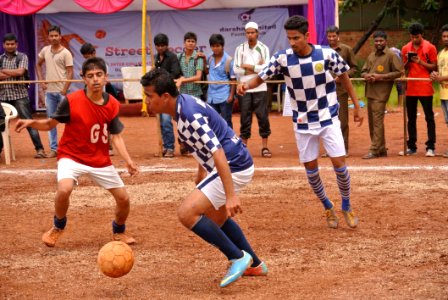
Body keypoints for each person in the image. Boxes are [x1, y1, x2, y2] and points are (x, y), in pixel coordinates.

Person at [141, 68, 267, 287]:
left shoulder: (189, 115)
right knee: (215, 218)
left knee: (186, 213)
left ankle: (237, 257)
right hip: (234, 162)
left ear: (165, 97)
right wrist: (201, 172)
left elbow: (217, 152)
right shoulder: (181, 106)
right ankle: (255, 264)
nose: (147, 101)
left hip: (232, 165)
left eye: (149, 96)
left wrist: (230, 196)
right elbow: (202, 145)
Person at [238, 15, 364, 229]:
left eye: (296, 38)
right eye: (289, 38)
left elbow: (344, 76)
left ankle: (346, 205)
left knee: (339, 165)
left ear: (307, 35)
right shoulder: (282, 58)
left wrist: (357, 106)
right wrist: (246, 86)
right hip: (303, 122)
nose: (293, 42)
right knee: (311, 170)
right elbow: (262, 77)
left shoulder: (327, 54)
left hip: (328, 117)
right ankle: (327, 205)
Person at [15, 57, 138, 247]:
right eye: (90, 76)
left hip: (100, 160)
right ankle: (58, 226)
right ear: (83, 79)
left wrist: (128, 161)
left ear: (106, 77)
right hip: (71, 156)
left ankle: (119, 230)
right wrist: (31, 122)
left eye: (99, 75)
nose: (95, 79)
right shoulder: (71, 101)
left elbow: (116, 136)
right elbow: (50, 124)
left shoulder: (112, 103)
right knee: (64, 189)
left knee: (124, 199)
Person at [0, 33, 47, 158]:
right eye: (7, 44)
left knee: (29, 122)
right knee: (0, 124)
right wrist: (13, 73)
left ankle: (40, 149)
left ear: (16, 44)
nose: (10, 46)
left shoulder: (22, 56)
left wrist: (4, 71)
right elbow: (13, 73)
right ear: (3, 45)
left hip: (20, 95)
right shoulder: (0, 58)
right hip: (3, 96)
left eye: (12, 44)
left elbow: (20, 71)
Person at [361, 31, 403, 159]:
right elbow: (363, 71)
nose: (378, 43)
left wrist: (380, 77)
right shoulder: (371, 55)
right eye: (376, 41)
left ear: (386, 41)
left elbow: (398, 72)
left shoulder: (391, 55)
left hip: (381, 93)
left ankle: (374, 150)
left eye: (381, 41)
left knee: (377, 122)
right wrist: (366, 75)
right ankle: (381, 149)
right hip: (370, 92)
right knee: (372, 123)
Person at [233, 21, 272, 158]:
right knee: (245, 117)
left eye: (252, 32)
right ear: (245, 34)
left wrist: (249, 66)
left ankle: (265, 147)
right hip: (244, 87)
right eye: (248, 32)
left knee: (263, 117)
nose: (250, 35)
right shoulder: (240, 48)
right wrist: (257, 68)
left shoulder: (264, 48)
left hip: (260, 86)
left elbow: (267, 69)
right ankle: (243, 148)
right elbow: (236, 69)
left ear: (257, 33)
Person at [400, 22, 437, 157]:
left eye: (417, 37)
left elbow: (434, 67)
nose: (414, 39)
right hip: (411, 87)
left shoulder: (430, 47)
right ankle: (412, 146)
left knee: (429, 117)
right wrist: (408, 62)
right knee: (411, 118)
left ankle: (431, 146)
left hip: (425, 86)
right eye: (412, 37)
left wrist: (420, 62)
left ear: (422, 35)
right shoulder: (405, 48)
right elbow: (402, 68)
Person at [36, 25, 74, 158]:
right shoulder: (45, 50)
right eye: (51, 36)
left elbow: (70, 72)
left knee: (69, 121)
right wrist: (41, 80)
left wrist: (65, 89)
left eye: (56, 35)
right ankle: (54, 149)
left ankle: (69, 148)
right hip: (50, 93)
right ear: (48, 37)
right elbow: (38, 64)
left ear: (60, 36)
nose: (53, 38)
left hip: (62, 92)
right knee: (51, 121)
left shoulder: (66, 53)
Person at [325, 26, 358, 156]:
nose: (331, 39)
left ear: (338, 36)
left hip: (341, 91)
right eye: (329, 36)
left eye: (334, 36)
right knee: (327, 121)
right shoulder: (323, 51)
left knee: (342, 120)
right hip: (326, 91)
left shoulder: (346, 50)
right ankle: (330, 149)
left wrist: (343, 75)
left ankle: (343, 149)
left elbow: (355, 68)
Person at [79, 42, 115, 156]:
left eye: (88, 56)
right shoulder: (85, 65)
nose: (87, 59)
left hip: (101, 96)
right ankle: (91, 145)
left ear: (94, 53)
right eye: (85, 57)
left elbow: (105, 80)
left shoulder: (102, 64)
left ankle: (108, 145)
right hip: (89, 97)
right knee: (89, 121)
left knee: (105, 121)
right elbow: (84, 78)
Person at [153, 33, 182, 157]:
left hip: (169, 94)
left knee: (166, 120)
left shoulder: (172, 57)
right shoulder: (156, 58)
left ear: (167, 45)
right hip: (158, 93)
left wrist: (161, 77)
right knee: (160, 121)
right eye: (158, 45)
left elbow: (175, 73)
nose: (160, 48)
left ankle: (170, 147)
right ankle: (165, 146)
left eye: (162, 45)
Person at [177, 32, 205, 155]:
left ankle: (195, 146)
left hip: (195, 94)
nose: (190, 43)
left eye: (193, 41)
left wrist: (183, 80)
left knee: (195, 121)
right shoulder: (178, 57)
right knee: (181, 120)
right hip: (182, 94)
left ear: (195, 44)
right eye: (188, 41)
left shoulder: (198, 58)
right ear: (184, 43)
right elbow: (175, 73)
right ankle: (183, 143)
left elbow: (198, 76)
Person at [205, 33, 235, 128]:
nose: (215, 48)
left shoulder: (229, 60)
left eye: (217, 46)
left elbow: (233, 80)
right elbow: (206, 71)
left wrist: (231, 96)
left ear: (222, 46)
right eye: (213, 46)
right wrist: (203, 59)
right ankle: (216, 142)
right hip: (211, 97)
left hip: (224, 96)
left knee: (226, 121)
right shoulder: (209, 57)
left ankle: (230, 141)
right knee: (212, 121)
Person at [430, 24, 448, 158]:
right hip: (444, 93)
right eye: (444, 36)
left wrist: (440, 77)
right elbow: (439, 70)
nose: (446, 38)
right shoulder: (441, 53)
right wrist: (434, 75)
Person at [389, 47, 405, 112]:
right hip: (388, 71)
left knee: (400, 87)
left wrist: (402, 74)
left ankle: (399, 106)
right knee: (385, 88)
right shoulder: (388, 56)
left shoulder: (399, 55)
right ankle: (385, 106)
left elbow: (402, 65)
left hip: (398, 71)